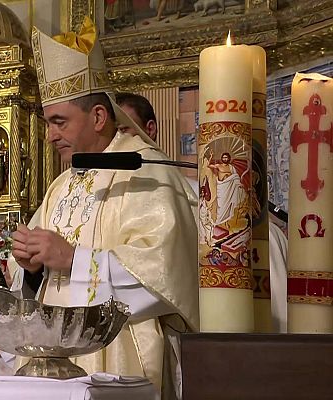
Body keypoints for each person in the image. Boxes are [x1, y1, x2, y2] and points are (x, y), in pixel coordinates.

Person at [12, 17, 198, 399]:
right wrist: (31, 266)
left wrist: (73, 259)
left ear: (98, 117)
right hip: (53, 362)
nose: (49, 136)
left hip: (119, 356)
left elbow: (163, 276)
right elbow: (35, 282)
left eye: (59, 122)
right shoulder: (62, 185)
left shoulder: (146, 171)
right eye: (47, 123)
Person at [115, 92, 290, 333]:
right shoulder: (111, 199)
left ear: (150, 129)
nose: (117, 143)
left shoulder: (189, 189)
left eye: (124, 131)